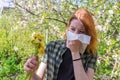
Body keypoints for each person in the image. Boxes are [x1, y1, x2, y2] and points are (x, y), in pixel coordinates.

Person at [24, 8, 98, 80]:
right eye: (72, 29)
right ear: (68, 28)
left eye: (81, 31)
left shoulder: (91, 54)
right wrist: (31, 72)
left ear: (88, 34)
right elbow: (38, 78)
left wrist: (75, 53)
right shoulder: (52, 46)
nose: (75, 34)